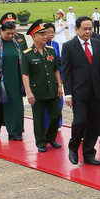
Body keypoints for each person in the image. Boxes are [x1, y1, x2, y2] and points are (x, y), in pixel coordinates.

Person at [61, 16, 100, 166]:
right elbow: (67, 72)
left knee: (94, 124)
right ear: (76, 29)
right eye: (85, 28)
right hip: (79, 92)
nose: (88, 31)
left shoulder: (98, 43)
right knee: (81, 121)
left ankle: (89, 153)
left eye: (90, 28)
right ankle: (73, 146)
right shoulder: (69, 46)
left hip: (96, 91)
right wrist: (68, 94)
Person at [22, 21, 63, 152]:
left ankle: (51, 137)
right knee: (38, 119)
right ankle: (41, 142)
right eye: (41, 34)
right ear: (34, 36)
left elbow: (56, 69)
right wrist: (29, 92)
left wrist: (59, 85)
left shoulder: (50, 50)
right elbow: (25, 75)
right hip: (37, 91)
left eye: (45, 33)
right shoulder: (27, 54)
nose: (45, 36)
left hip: (52, 89)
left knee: (56, 115)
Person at [0, 14, 26, 140]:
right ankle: (6, 130)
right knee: (3, 106)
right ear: (1, 31)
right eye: (8, 33)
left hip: (16, 79)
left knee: (17, 105)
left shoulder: (16, 44)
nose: (10, 36)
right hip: (1, 80)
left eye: (12, 33)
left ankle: (17, 130)